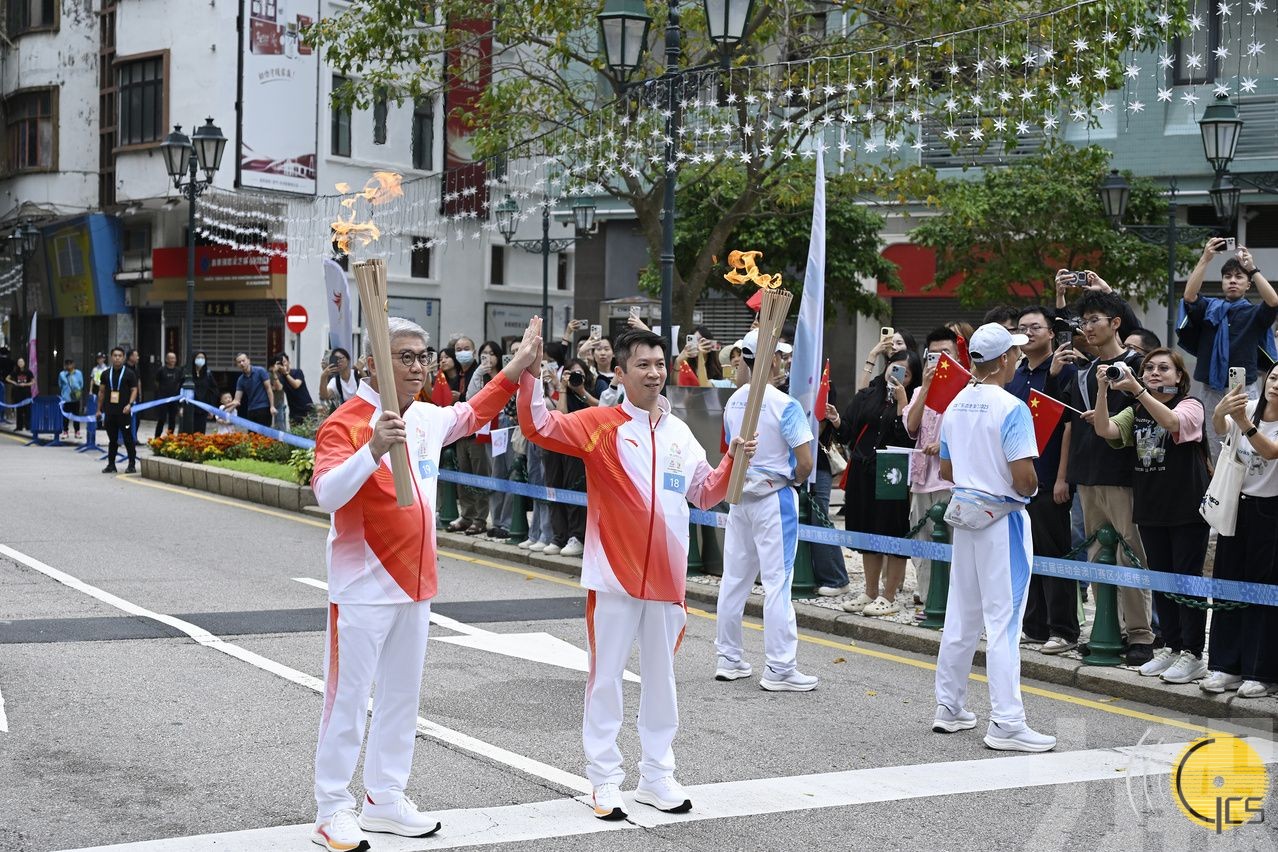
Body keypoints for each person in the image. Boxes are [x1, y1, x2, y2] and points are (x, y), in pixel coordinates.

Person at [309, 317, 539, 851]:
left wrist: (519, 364)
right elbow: (326, 495)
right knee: (347, 699)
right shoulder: (347, 423)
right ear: (373, 364)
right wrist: (370, 450)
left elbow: (475, 410)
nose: (417, 366)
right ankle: (330, 808)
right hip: (362, 585)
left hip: (416, 584)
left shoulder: (427, 419)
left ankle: (384, 799)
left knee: (401, 700)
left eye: (422, 356)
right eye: (405, 356)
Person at [518, 324, 754, 820]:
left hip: (666, 578)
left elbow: (706, 493)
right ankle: (604, 779)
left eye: (659, 364)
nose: (653, 372)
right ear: (621, 372)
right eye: (642, 365)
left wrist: (734, 458)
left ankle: (657, 775)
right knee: (606, 677)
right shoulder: (598, 423)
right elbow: (538, 426)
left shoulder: (679, 433)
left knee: (661, 679)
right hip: (613, 576)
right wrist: (528, 369)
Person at [933, 323, 1056, 753]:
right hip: (1001, 520)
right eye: (1015, 355)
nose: (1019, 360)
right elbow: (1024, 478)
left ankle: (949, 707)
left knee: (962, 616)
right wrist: (1031, 489)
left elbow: (947, 472)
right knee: (1004, 623)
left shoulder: (954, 405)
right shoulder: (1012, 407)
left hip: (965, 515)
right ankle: (1006, 721)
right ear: (1004, 359)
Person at [1092, 348, 1211, 684]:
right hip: (1151, 507)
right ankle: (1172, 648)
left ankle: (1193, 653)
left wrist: (1138, 391)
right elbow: (1105, 430)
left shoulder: (1190, 405)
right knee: (1161, 580)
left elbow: (1173, 423)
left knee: (1186, 581)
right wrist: (1103, 390)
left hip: (1187, 508)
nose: (1155, 372)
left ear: (1178, 377)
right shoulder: (1136, 408)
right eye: (1148, 368)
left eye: (1163, 368)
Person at [1058, 284, 1155, 666]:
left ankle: (1141, 635)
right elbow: (1068, 425)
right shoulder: (1081, 372)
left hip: (1124, 474)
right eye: (1084, 322)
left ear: (1116, 323)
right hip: (1087, 473)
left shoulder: (1139, 365)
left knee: (1132, 554)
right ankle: (1106, 630)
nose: (1087, 328)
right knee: (1098, 553)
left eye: (1094, 320)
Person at [715, 328, 817, 690]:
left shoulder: (733, 401)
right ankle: (780, 667)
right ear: (772, 360)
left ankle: (728, 657)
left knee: (735, 579)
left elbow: (729, 450)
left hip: (740, 497)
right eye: (782, 356)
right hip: (775, 499)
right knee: (778, 583)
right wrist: (791, 477)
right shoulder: (784, 404)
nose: (785, 362)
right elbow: (805, 461)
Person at [1199, 368, 1278, 698]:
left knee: (1263, 591)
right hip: (1236, 503)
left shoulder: (1250, 416)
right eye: (1274, 378)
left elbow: (1270, 451)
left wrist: (1244, 422)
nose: (1276, 386)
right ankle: (1224, 666)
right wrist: (1220, 412)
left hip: (1270, 510)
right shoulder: (1248, 404)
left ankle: (1259, 671)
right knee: (1228, 584)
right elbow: (1220, 430)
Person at [1007, 306, 1080, 654]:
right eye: (1021, 328)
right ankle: (1034, 626)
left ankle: (1063, 630)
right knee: (1026, 552)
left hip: (1051, 475)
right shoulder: (1016, 373)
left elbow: (1068, 426)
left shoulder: (1065, 368)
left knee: (1054, 553)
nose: (1028, 333)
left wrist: (1063, 477)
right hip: (1020, 478)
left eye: (1035, 327)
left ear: (1052, 332)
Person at [1179, 238, 1278, 460]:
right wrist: (1206, 258)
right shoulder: (1209, 308)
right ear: (1222, 281)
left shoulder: (1254, 313)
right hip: (1211, 387)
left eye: (1239, 277)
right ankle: (1217, 486)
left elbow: (1273, 301)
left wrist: (1252, 268)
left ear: (1248, 284)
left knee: (1247, 438)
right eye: (1227, 277)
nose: (1232, 281)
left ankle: (1244, 488)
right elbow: (1189, 297)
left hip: (1245, 387)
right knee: (1214, 439)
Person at [839, 348, 919, 616]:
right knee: (867, 531)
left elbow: (907, 436)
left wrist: (902, 404)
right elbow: (848, 429)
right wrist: (836, 419)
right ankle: (870, 591)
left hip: (893, 469)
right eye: (895, 368)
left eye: (905, 374)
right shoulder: (869, 394)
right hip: (863, 469)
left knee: (892, 531)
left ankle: (889, 595)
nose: (898, 376)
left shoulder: (910, 399)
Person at [902, 328, 961, 610]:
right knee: (921, 544)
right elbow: (911, 426)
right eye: (934, 355)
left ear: (958, 355)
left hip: (950, 480)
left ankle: (950, 603)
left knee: (950, 543)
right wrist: (926, 387)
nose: (940, 361)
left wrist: (945, 444)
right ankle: (928, 600)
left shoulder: (967, 389)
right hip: (921, 479)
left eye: (946, 354)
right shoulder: (918, 391)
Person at [466, 341, 511, 539]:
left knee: (509, 473)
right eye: (484, 353)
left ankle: (507, 521)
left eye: (492, 354)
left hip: (507, 425)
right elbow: (471, 399)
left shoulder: (507, 374)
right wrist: (477, 373)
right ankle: (496, 520)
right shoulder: (480, 376)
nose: (489, 358)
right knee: (493, 474)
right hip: (487, 428)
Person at [448, 335, 491, 535]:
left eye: (466, 348)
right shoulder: (456, 375)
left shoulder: (481, 372)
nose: (462, 352)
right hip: (459, 433)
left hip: (477, 433)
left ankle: (480, 518)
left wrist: (463, 398)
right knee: (463, 477)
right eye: (458, 349)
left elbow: (482, 399)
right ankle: (466, 515)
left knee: (479, 477)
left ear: (473, 351)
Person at [96, 347, 138, 473]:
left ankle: (131, 464)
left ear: (124, 357)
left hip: (124, 412)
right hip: (110, 412)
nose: (117, 358)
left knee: (127, 438)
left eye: (120, 355)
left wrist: (130, 404)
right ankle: (111, 464)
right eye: (115, 355)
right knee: (112, 439)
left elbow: (134, 390)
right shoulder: (105, 374)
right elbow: (102, 392)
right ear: (111, 357)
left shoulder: (129, 373)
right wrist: (99, 409)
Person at [225, 353, 275, 427]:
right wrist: (226, 408)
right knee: (252, 436)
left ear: (248, 361)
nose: (242, 363)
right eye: (239, 362)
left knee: (265, 436)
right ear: (237, 365)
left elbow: (269, 389)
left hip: (264, 408)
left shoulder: (260, 371)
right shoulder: (240, 380)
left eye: (243, 360)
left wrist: (272, 406)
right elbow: (237, 400)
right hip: (251, 409)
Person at [275, 353, 314, 427]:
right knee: (294, 436)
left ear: (288, 362)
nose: (283, 365)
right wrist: (274, 373)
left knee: (310, 436)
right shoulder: (281, 378)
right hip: (294, 413)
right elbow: (279, 388)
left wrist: (286, 374)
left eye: (284, 362)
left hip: (307, 409)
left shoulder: (298, 372)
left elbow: (296, 385)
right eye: (280, 363)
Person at [153, 352, 183, 438]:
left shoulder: (178, 371)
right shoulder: (161, 370)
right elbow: (156, 382)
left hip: (174, 399)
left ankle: (170, 437)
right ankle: (157, 438)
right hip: (163, 398)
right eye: (170, 358)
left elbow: (179, 383)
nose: (172, 360)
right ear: (166, 359)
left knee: (172, 420)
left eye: (174, 358)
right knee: (161, 419)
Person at [189, 352, 220, 434]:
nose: (200, 360)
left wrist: (211, 408)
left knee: (200, 432)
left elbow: (214, 391)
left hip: (203, 407)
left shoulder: (208, 374)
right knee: (188, 432)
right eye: (198, 357)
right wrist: (181, 407)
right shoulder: (188, 373)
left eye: (203, 358)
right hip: (190, 408)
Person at [58, 358, 84, 441]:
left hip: (75, 397)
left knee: (76, 415)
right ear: (65, 365)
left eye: (70, 364)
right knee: (65, 416)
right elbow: (60, 385)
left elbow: (81, 384)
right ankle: (65, 431)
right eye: (67, 364)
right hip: (66, 398)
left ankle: (77, 431)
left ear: (74, 364)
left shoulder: (78, 373)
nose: (69, 366)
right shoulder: (62, 374)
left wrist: (76, 390)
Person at [6, 356, 34, 433]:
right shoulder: (15, 372)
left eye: (22, 362)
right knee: (19, 410)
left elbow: (33, 381)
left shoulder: (28, 372)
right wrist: (14, 382)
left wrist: (26, 384)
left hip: (26, 393)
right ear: (17, 363)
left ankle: (28, 426)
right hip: (18, 393)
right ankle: (19, 427)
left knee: (27, 410)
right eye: (19, 362)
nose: (20, 363)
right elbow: (7, 378)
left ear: (24, 363)